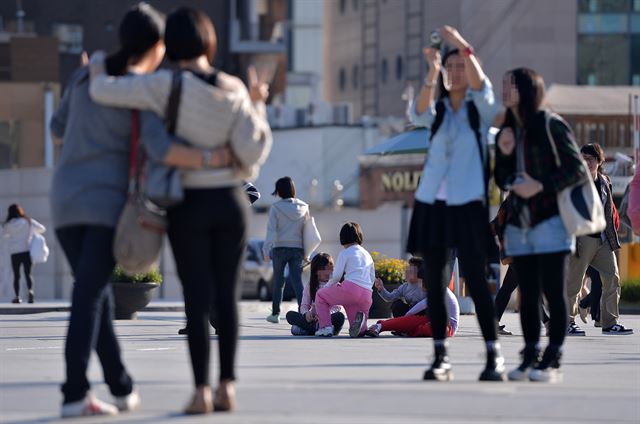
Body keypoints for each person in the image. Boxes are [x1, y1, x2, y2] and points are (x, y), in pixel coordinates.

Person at [49, 4, 233, 418]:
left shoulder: (85, 77)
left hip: (63, 201)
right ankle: (74, 392)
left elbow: (56, 129)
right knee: (88, 297)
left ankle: (119, 385)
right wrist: (212, 158)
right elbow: (164, 149)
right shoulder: (140, 94)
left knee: (91, 295)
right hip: (102, 208)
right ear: (154, 46)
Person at [406, 26, 503, 382]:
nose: (456, 71)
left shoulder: (479, 108)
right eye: (451, 67)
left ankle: (493, 355)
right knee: (435, 279)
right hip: (434, 205)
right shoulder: (440, 109)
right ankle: (439, 355)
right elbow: (418, 113)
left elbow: (484, 87)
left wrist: (463, 46)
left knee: (477, 279)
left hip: (469, 205)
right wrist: (433, 71)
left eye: (461, 65)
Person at [494, 67, 588, 383]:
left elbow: (576, 169)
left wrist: (541, 185)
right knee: (528, 296)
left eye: (511, 86)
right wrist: (505, 155)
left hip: (551, 223)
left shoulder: (551, 125)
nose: (504, 91)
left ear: (528, 89)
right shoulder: (509, 128)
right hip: (520, 225)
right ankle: (530, 354)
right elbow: (501, 179)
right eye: (504, 85)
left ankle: (553, 357)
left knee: (553, 293)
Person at [177, 182, 261, 336]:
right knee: (194, 282)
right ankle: (194, 323)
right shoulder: (193, 171)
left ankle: (218, 322)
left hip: (222, 238)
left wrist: (233, 211)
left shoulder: (228, 174)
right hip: (197, 234)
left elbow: (254, 193)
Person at [565, 144, 633, 335]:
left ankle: (609, 323)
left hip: (602, 239)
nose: (587, 162)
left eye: (591, 159)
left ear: (599, 161)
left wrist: (612, 235)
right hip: (581, 238)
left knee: (612, 278)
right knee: (574, 283)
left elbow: (609, 212)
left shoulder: (604, 182)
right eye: (583, 158)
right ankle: (568, 322)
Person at [314, 222, 376, 338]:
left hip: (350, 289)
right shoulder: (367, 254)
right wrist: (366, 289)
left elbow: (337, 276)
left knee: (320, 296)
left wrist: (327, 287)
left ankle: (325, 327)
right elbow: (372, 276)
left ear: (342, 237)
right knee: (357, 330)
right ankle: (362, 326)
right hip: (367, 295)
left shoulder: (345, 253)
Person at [262, 177, 308, 323]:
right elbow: (307, 232)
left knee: (278, 281)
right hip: (298, 249)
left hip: (279, 248)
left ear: (279, 191)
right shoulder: (304, 206)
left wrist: (265, 250)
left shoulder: (276, 208)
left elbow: (271, 231)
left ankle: (275, 314)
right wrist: (308, 252)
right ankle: (303, 311)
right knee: (297, 282)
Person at [285, 253, 346, 336]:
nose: (329, 271)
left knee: (340, 317)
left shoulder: (335, 284)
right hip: (313, 319)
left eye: (331, 268)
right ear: (316, 271)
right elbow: (304, 305)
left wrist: (324, 315)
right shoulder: (311, 285)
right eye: (326, 268)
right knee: (290, 315)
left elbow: (337, 307)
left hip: (329, 319)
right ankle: (315, 328)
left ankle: (310, 329)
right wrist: (306, 314)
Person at [365, 287, 459, 338]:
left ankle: (406, 331)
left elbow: (420, 306)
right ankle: (379, 326)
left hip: (446, 327)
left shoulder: (439, 290)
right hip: (433, 321)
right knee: (419, 322)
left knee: (427, 327)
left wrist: (406, 319)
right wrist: (406, 320)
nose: (423, 288)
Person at [2, 204, 45, 304]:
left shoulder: (8, 224)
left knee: (17, 276)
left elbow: (4, 234)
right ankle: (30, 292)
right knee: (28, 274)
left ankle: (17, 296)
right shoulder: (28, 221)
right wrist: (32, 232)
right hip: (26, 251)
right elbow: (42, 228)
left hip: (14, 253)